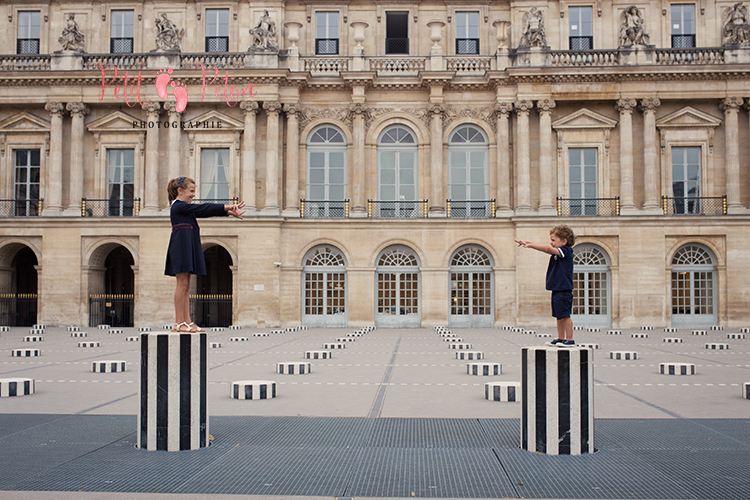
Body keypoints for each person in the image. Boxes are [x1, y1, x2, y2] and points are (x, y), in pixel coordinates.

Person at [165, 177, 245, 333]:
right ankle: (178, 322)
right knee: (181, 285)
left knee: (186, 285)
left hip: (186, 245)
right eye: (191, 191)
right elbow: (202, 208)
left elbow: (203, 212)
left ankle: (187, 321)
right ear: (180, 191)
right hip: (181, 246)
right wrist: (226, 206)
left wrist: (227, 213)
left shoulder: (184, 207)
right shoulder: (178, 206)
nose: (193, 195)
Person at [514, 225, 576, 347]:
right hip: (557, 289)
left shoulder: (566, 251)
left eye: (553, 240)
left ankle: (570, 339)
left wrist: (531, 245)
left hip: (564, 289)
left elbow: (547, 249)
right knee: (559, 315)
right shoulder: (558, 254)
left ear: (564, 241)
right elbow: (548, 248)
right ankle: (560, 338)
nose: (551, 242)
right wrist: (528, 242)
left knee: (565, 315)